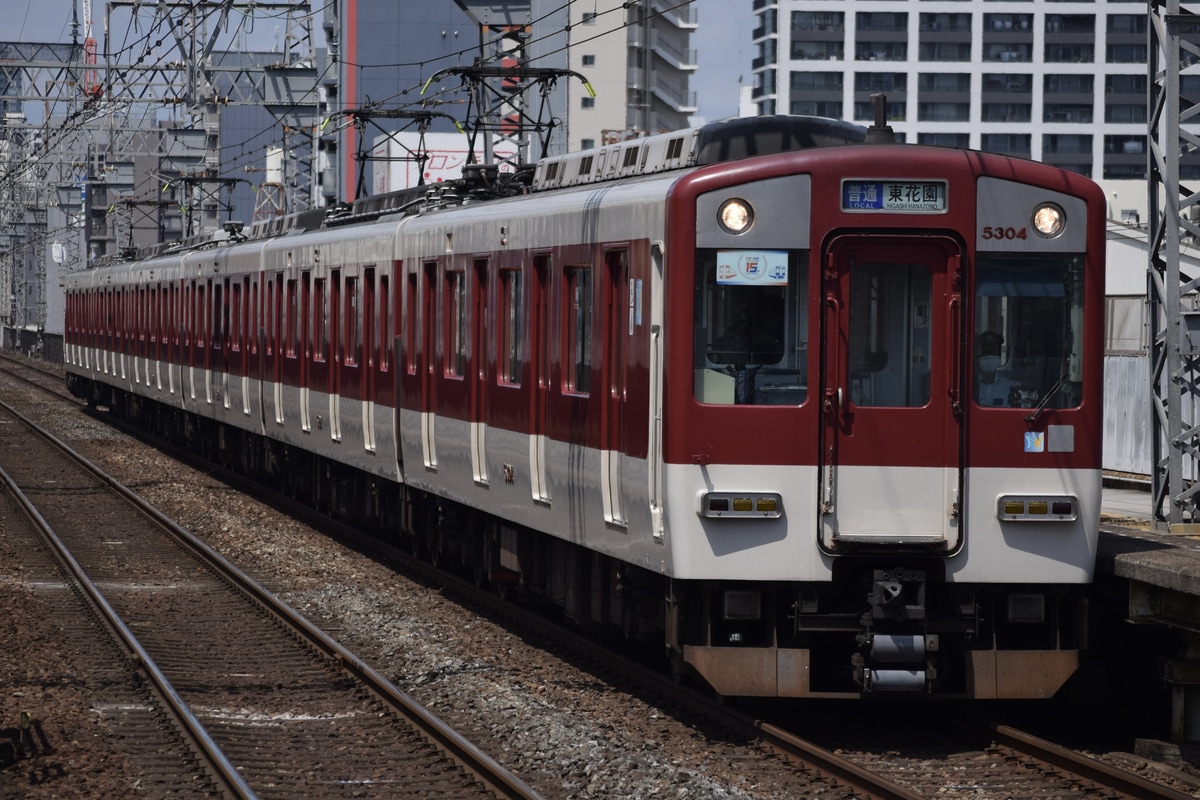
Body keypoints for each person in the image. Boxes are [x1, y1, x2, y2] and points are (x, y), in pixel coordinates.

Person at [975, 330, 1019, 407]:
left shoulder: (1010, 385)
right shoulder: (969, 384)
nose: (989, 358)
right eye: (986, 352)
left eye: (993, 352)